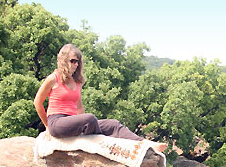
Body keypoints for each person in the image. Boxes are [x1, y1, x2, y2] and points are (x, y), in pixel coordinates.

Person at [33, 43, 167, 152]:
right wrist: (47, 126)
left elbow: (79, 108)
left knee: (113, 124)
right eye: (72, 61)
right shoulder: (53, 78)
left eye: (78, 62)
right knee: (90, 119)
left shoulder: (77, 82)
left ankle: (146, 144)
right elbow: (37, 102)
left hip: (72, 120)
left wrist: (81, 125)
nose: (76, 65)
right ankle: (102, 145)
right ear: (63, 61)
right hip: (57, 122)